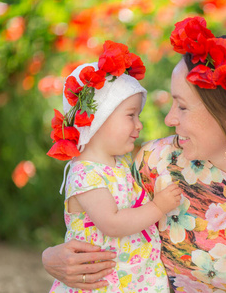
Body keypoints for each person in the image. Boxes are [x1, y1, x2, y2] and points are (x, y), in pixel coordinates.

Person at [43, 17, 226, 292]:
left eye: (182, 106)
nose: (169, 119)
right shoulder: (156, 162)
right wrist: (53, 258)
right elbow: (103, 230)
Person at [46, 40, 181, 292]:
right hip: (102, 284)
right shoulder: (84, 172)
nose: (138, 125)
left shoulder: (119, 163)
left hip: (130, 279)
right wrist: (158, 206)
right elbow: (112, 223)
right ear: (97, 121)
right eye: (131, 115)